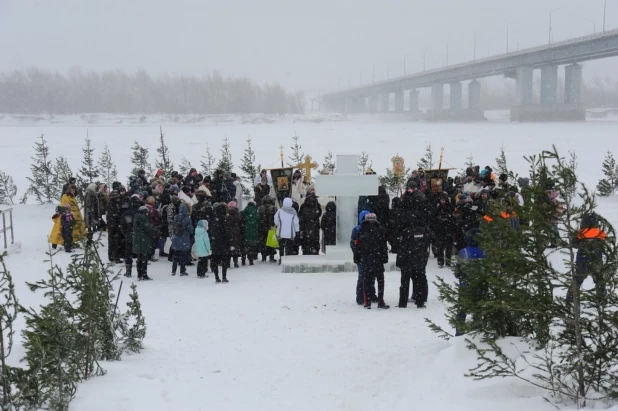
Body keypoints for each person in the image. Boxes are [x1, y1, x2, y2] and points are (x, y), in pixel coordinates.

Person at [396, 189, 432, 308]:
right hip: (419, 257)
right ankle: (420, 301)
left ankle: (403, 302)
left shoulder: (406, 230)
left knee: (406, 281)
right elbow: (427, 240)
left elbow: (403, 246)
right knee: (419, 279)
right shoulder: (423, 229)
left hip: (409, 257)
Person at [567, 213, 608, 301]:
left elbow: (574, 244)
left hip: (582, 262)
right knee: (599, 281)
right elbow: (604, 244)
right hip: (596, 261)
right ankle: (602, 299)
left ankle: (570, 298)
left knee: (577, 280)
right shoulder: (600, 233)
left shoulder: (580, 234)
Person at [454, 228, 485, 336]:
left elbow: (457, 273)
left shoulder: (463, 252)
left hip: (465, 287)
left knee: (462, 312)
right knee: (478, 311)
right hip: (481, 286)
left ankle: (459, 334)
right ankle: (478, 333)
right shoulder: (485, 252)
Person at [356, 213, 390, 309]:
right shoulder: (380, 229)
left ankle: (367, 302)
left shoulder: (361, 230)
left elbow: (357, 245)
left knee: (366, 280)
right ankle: (380, 301)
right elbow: (384, 245)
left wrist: (359, 257)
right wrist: (384, 258)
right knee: (380, 280)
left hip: (366, 259)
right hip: (378, 259)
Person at [351, 210, 377, 305]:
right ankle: (362, 297)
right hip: (364, 257)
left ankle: (368, 295)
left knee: (369, 276)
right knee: (364, 277)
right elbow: (353, 244)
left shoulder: (358, 229)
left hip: (365, 256)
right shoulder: (358, 230)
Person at [132, 205, 159, 281]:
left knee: (139, 258)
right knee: (144, 258)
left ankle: (139, 274)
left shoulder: (137, 217)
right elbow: (148, 228)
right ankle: (144, 274)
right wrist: (156, 230)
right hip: (143, 241)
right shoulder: (143, 218)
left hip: (138, 241)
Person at [121, 195, 144, 278]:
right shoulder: (141, 213)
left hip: (129, 235)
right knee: (140, 254)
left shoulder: (126, 213)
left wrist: (126, 233)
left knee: (128, 254)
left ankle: (128, 271)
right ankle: (140, 272)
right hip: (139, 236)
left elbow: (122, 226)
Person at [433, 193, 457, 268]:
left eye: (443, 200)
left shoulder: (450, 207)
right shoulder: (438, 207)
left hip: (448, 230)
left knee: (448, 248)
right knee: (440, 247)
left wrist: (448, 218)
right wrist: (439, 218)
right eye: (441, 200)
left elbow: (454, 217)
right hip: (440, 230)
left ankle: (448, 262)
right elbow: (434, 217)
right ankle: (440, 262)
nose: (442, 201)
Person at [210, 203, 231, 283]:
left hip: (215, 243)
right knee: (224, 261)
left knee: (215, 260)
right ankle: (224, 277)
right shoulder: (225, 220)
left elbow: (211, 231)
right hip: (224, 243)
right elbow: (228, 233)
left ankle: (216, 277)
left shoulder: (213, 220)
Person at [171, 203, 193, 276]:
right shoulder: (188, 219)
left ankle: (173, 270)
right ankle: (182, 271)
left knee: (175, 255)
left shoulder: (176, 217)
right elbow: (191, 230)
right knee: (183, 256)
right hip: (184, 239)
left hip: (176, 239)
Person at [106, 191, 125, 263]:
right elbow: (113, 217)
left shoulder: (116, 205)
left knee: (115, 242)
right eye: (117, 198)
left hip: (114, 226)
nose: (119, 199)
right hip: (114, 227)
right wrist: (116, 225)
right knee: (114, 242)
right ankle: (114, 256)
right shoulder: (112, 206)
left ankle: (113, 256)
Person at [241, 201, 260, 266]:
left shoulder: (243, 212)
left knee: (244, 246)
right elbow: (259, 220)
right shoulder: (256, 213)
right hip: (253, 232)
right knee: (251, 247)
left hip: (245, 232)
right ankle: (251, 260)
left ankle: (243, 260)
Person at [227, 202, 244, 268]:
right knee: (235, 248)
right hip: (237, 233)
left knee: (228, 249)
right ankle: (235, 262)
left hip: (228, 233)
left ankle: (228, 263)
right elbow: (241, 225)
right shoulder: (238, 214)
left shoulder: (226, 215)